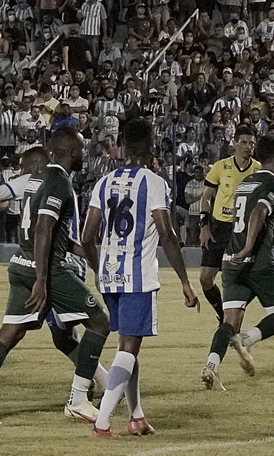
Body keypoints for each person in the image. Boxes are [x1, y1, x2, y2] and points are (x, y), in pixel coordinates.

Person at [81, 119, 199, 437]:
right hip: (137, 278)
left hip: (109, 276)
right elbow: (167, 234)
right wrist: (186, 282)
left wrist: (98, 268)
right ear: (149, 149)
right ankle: (103, 423)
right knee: (129, 348)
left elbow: (87, 235)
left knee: (127, 346)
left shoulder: (103, 183)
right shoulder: (154, 182)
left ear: (122, 147)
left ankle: (136, 416)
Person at [0, 128, 109, 422]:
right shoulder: (58, 181)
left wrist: (98, 259)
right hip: (49, 269)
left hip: (20, 263)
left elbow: (54, 232)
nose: (83, 157)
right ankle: (78, 398)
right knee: (99, 323)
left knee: (10, 335)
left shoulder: (36, 179)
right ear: (72, 152)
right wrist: (42, 280)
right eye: (81, 152)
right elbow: (44, 228)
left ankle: (105, 383)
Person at [201, 135, 274, 390]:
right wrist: (249, 247)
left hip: (232, 262)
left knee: (228, 321)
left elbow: (253, 221)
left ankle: (211, 365)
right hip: (256, 263)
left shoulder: (245, 183)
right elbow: (259, 213)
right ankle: (246, 339)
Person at [198, 125, 259, 321]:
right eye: (243, 142)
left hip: (241, 229)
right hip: (218, 227)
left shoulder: (258, 169)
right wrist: (204, 226)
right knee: (205, 278)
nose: (247, 147)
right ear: (234, 143)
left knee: (235, 279)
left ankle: (231, 321)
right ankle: (222, 315)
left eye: (251, 143)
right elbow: (206, 197)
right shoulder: (220, 167)